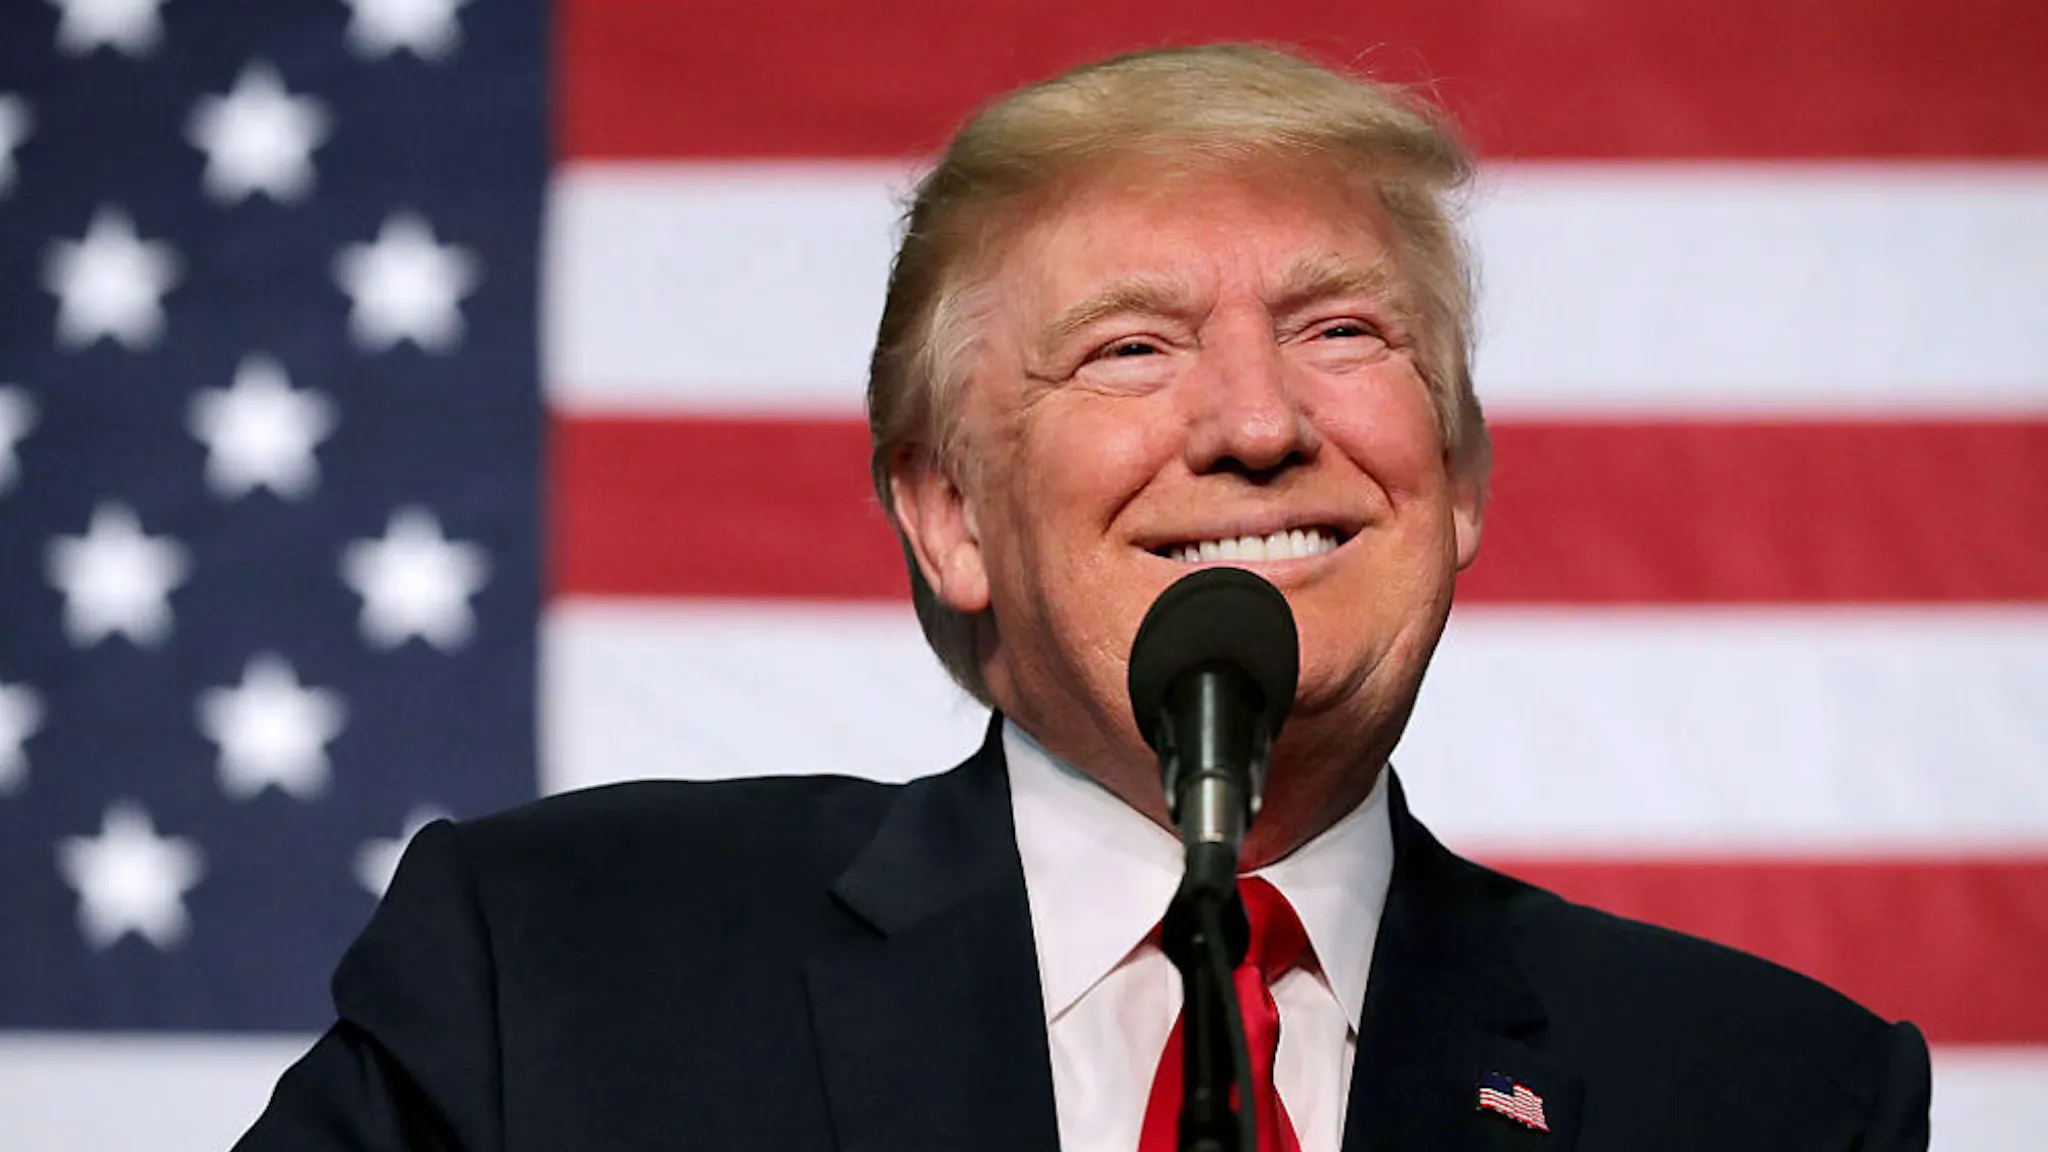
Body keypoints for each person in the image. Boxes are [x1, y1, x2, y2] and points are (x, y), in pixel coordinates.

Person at [236, 44, 1930, 1151]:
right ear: (949, 514)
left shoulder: (1775, 1098)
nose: (1261, 425)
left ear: (1463, 478)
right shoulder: (557, 973)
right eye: (1132, 348)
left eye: (1344, 331)